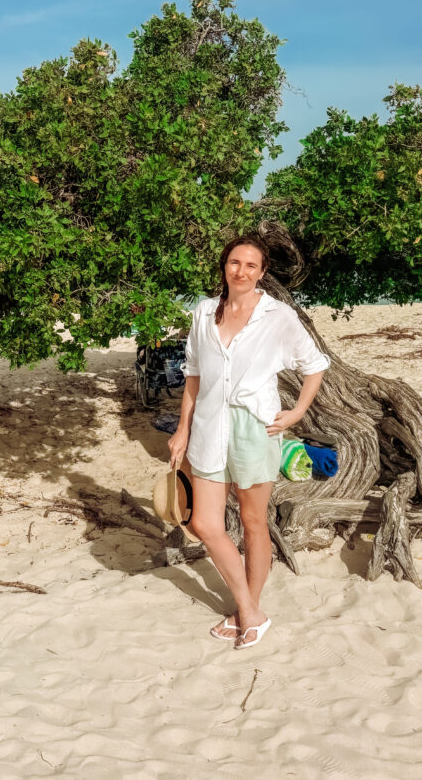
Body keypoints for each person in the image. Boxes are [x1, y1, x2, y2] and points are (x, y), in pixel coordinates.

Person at [167, 234, 329, 649]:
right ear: (224, 266)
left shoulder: (278, 316)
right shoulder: (204, 312)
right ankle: (250, 611)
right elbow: (194, 376)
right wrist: (182, 430)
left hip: (253, 428)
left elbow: (315, 366)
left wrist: (297, 412)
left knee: (255, 523)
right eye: (234, 262)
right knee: (203, 523)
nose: (241, 271)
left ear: (262, 272)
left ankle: (245, 612)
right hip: (207, 426)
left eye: (250, 265)